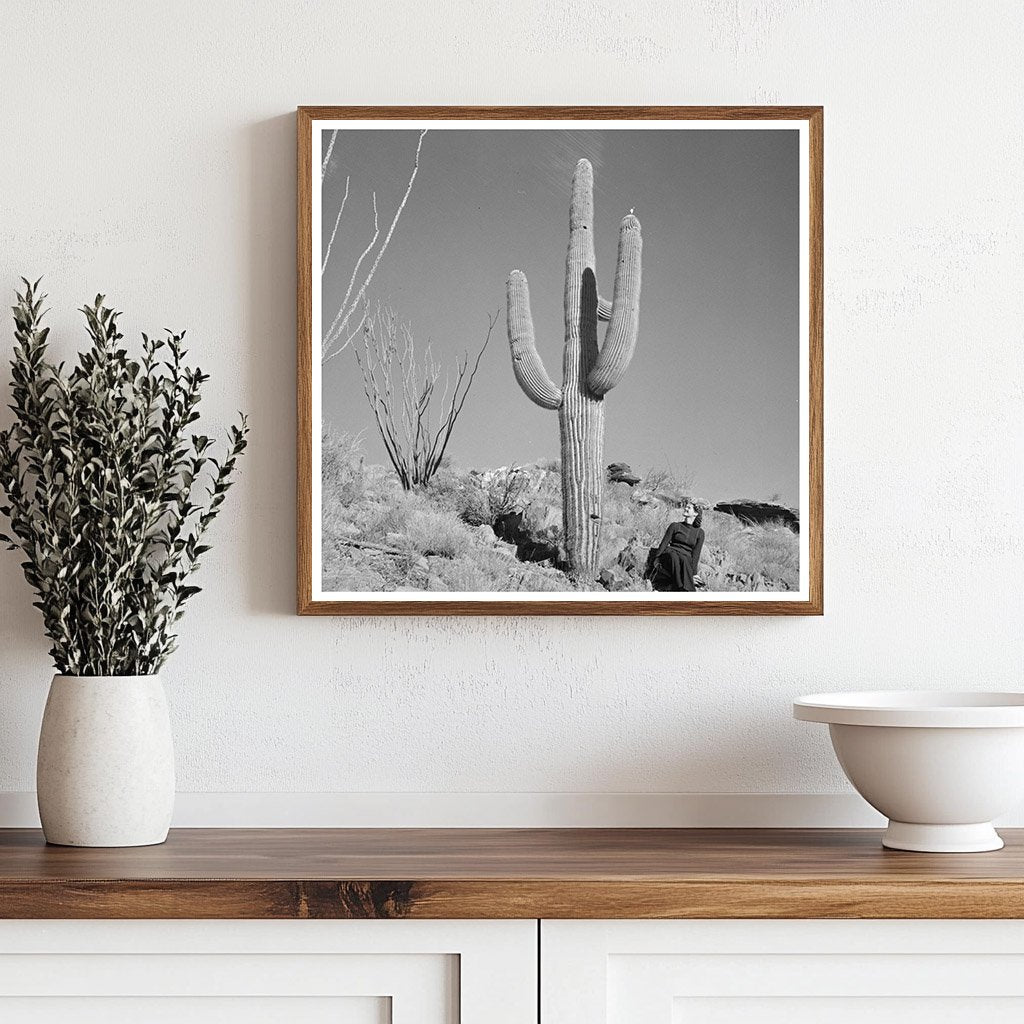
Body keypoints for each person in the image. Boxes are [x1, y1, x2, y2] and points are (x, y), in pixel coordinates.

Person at [651, 503, 704, 592]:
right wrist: (656, 558)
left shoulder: (700, 533)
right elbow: (664, 544)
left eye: (689, 507)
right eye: (686, 507)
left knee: (685, 559)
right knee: (674, 557)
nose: (685, 508)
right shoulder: (675, 526)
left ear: (695, 513)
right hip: (671, 553)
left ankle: (688, 591)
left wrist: (694, 573)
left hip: (684, 558)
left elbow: (696, 555)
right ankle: (680, 587)